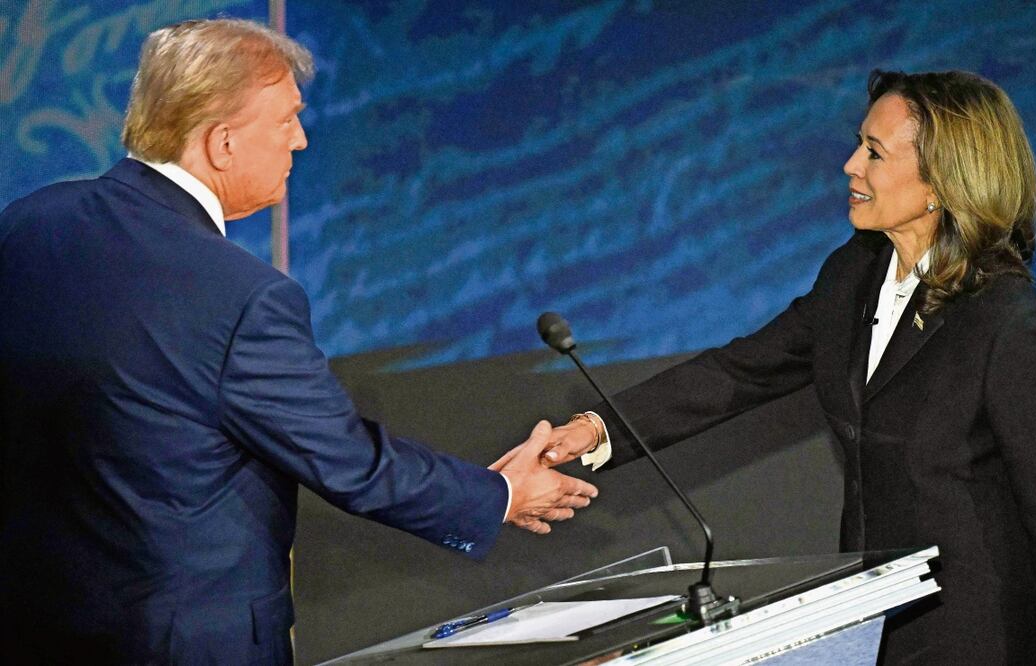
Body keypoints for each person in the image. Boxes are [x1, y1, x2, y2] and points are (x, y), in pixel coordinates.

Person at [0, 18, 597, 664]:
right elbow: (350, 462)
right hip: (189, 644)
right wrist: (500, 495)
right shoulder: (240, 295)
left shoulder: (30, 224)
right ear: (223, 142)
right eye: (286, 120)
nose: (301, 139)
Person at [541, 70, 1036, 664]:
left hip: (979, 639)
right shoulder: (855, 272)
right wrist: (595, 430)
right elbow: (741, 371)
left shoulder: (1008, 324)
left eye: (874, 152)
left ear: (942, 180)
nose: (851, 165)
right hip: (872, 627)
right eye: (858, 145)